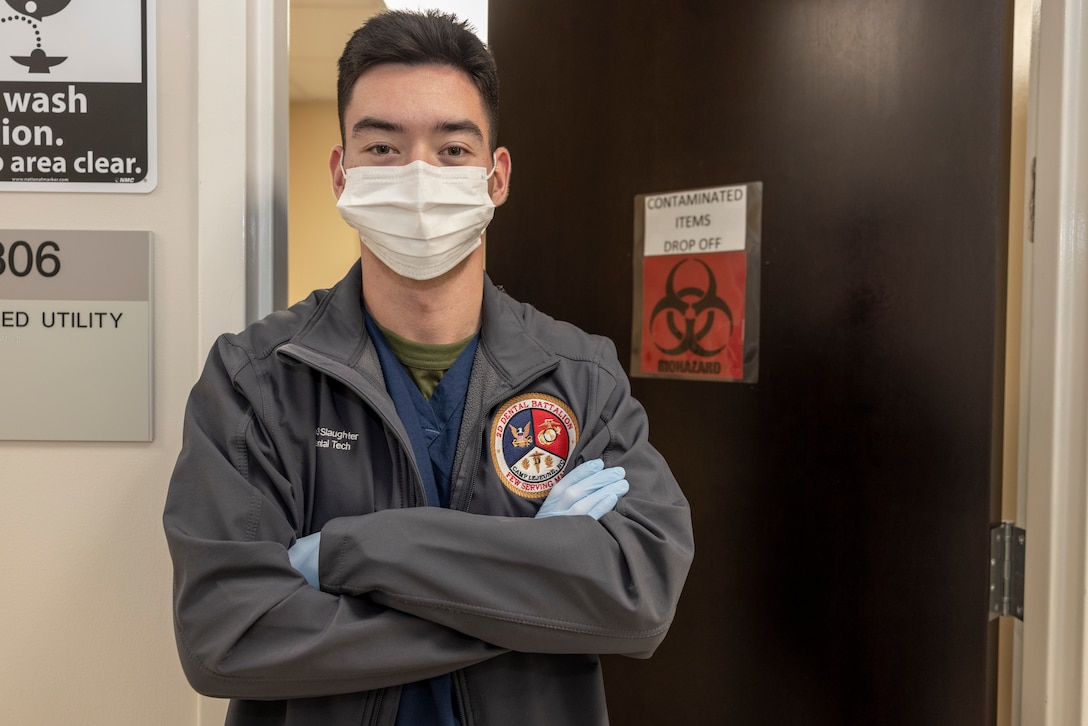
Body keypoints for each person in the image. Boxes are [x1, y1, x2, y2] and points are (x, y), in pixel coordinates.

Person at [163, 10, 694, 726]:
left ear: (496, 177)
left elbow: (638, 597)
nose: (418, 176)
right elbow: (225, 638)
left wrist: (355, 549)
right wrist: (531, 587)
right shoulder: (256, 381)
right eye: (382, 146)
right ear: (342, 173)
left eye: (452, 149)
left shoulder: (580, 377)